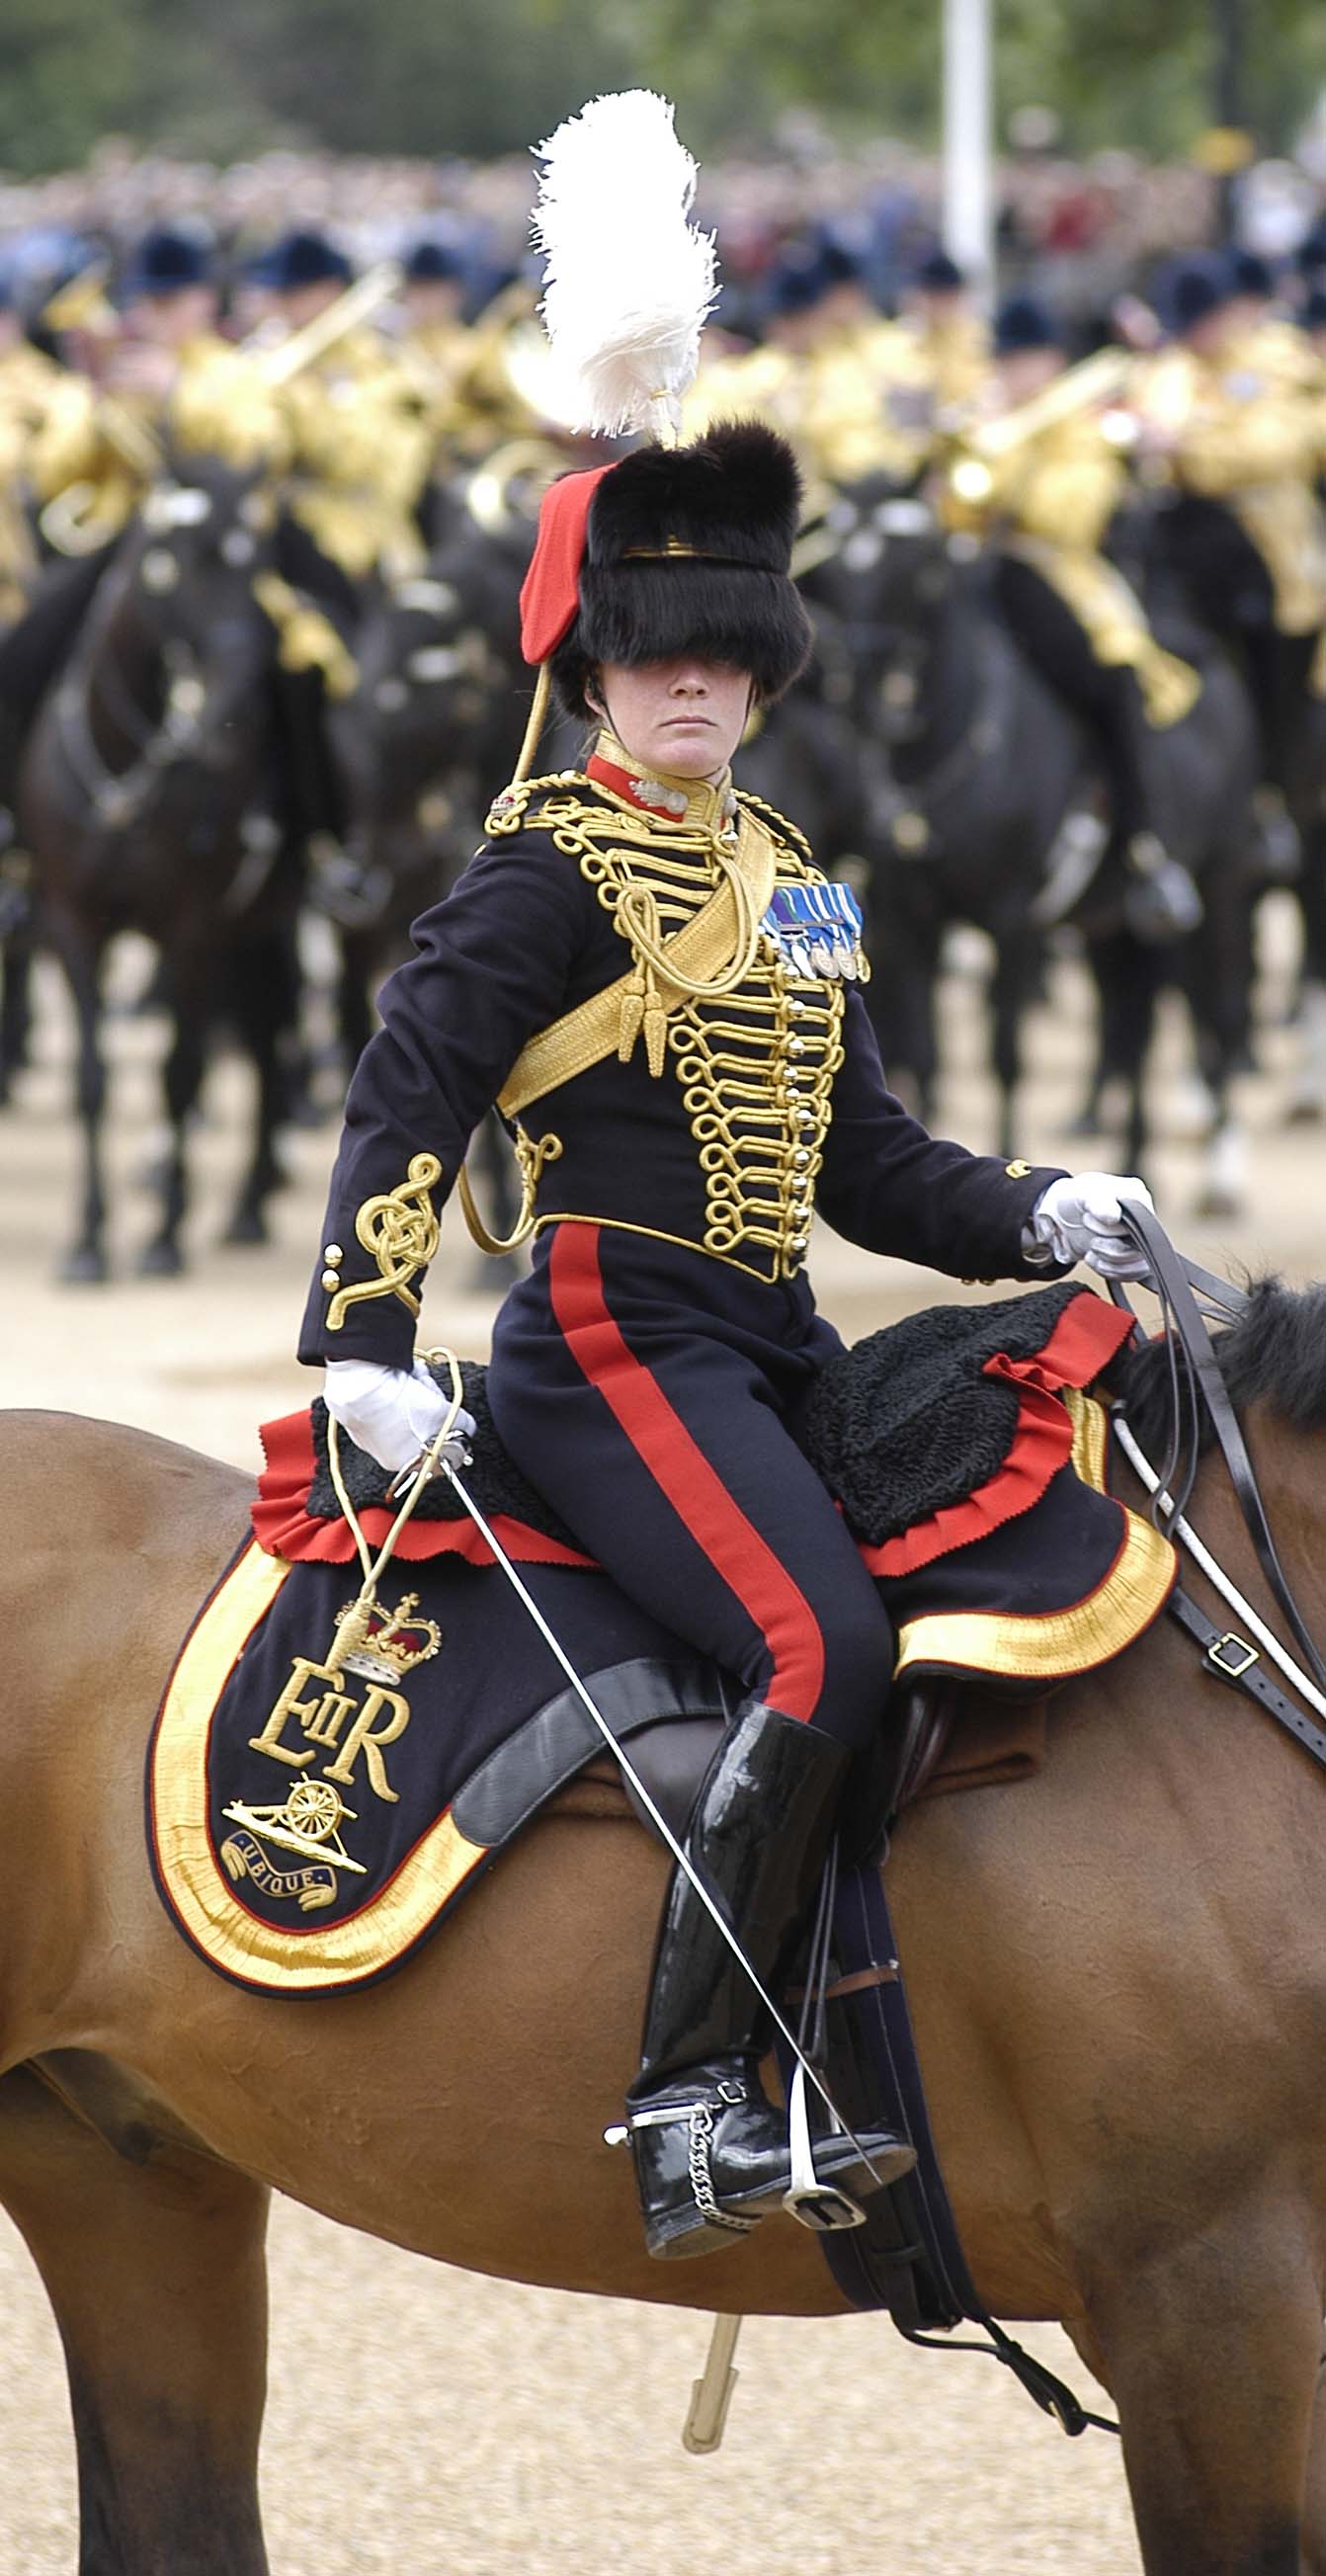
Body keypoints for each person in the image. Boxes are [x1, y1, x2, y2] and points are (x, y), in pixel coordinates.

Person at [298, 418, 1154, 2260]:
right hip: (610, 1342)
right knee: (814, 1634)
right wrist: (360, 1339)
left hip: (770, 1340)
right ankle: (687, 2094)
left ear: (764, 669)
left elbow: (869, 1159)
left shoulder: (800, 875)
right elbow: (411, 1083)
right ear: (596, 662)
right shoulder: (542, 867)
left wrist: (1032, 1205)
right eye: (653, 647)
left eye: (726, 649)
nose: (692, 676)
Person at [945, 291, 1202, 940]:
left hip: (1059, 576)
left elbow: (1071, 516)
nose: (1012, 373)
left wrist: (1011, 467)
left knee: (1110, 683)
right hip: (987, 573)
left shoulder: (1082, 424)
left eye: (1023, 360)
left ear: (1052, 360)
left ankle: (1147, 846)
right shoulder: (991, 418)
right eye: (1004, 361)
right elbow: (955, 507)